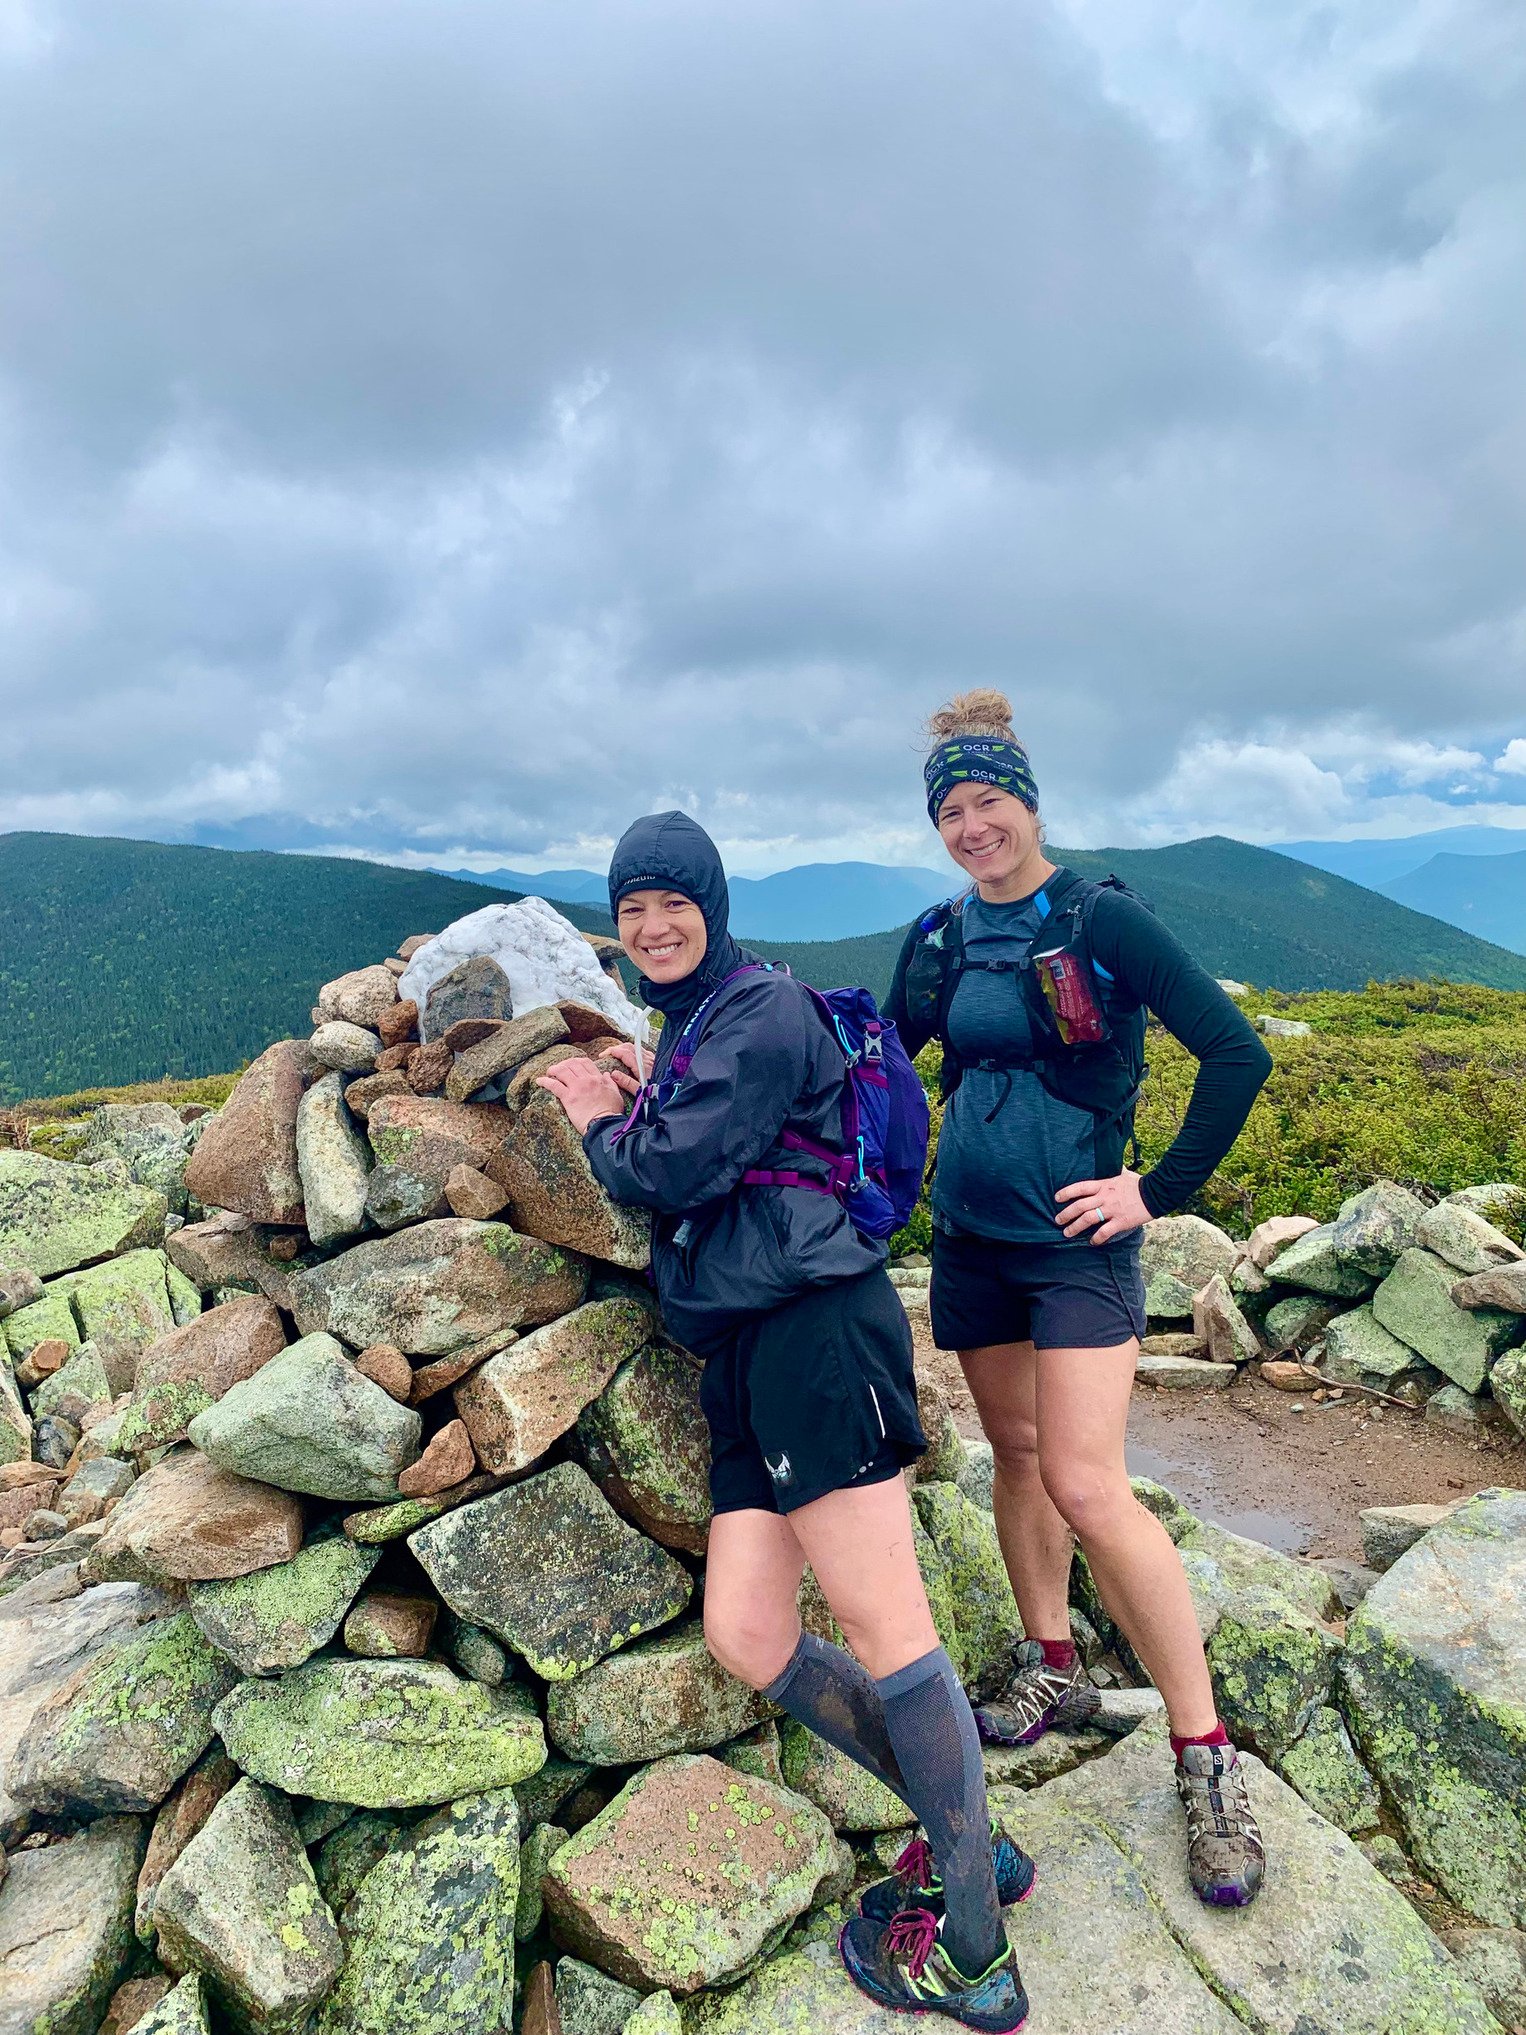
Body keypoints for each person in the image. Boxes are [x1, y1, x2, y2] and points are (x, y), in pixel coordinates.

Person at [537, 809, 1033, 2030]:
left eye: (674, 902)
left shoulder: (757, 1008)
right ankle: (968, 1836)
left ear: (713, 903)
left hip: (818, 1338)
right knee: (748, 1632)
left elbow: (662, 1171)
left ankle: (972, 1950)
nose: (652, 926)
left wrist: (593, 1114)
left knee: (888, 1628)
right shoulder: (694, 1020)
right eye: (633, 907)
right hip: (746, 1359)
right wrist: (640, 1086)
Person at [884, 692, 1274, 1908]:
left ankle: (1202, 1755)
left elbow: (1234, 1051)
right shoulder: (939, 939)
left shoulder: (1099, 918)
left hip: (1073, 1249)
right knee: (1012, 1449)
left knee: (1087, 1480)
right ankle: (1050, 1660)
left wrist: (1149, 1191)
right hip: (972, 1242)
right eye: (949, 809)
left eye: (986, 800)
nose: (969, 825)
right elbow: (879, 1062)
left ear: (1028, 798)